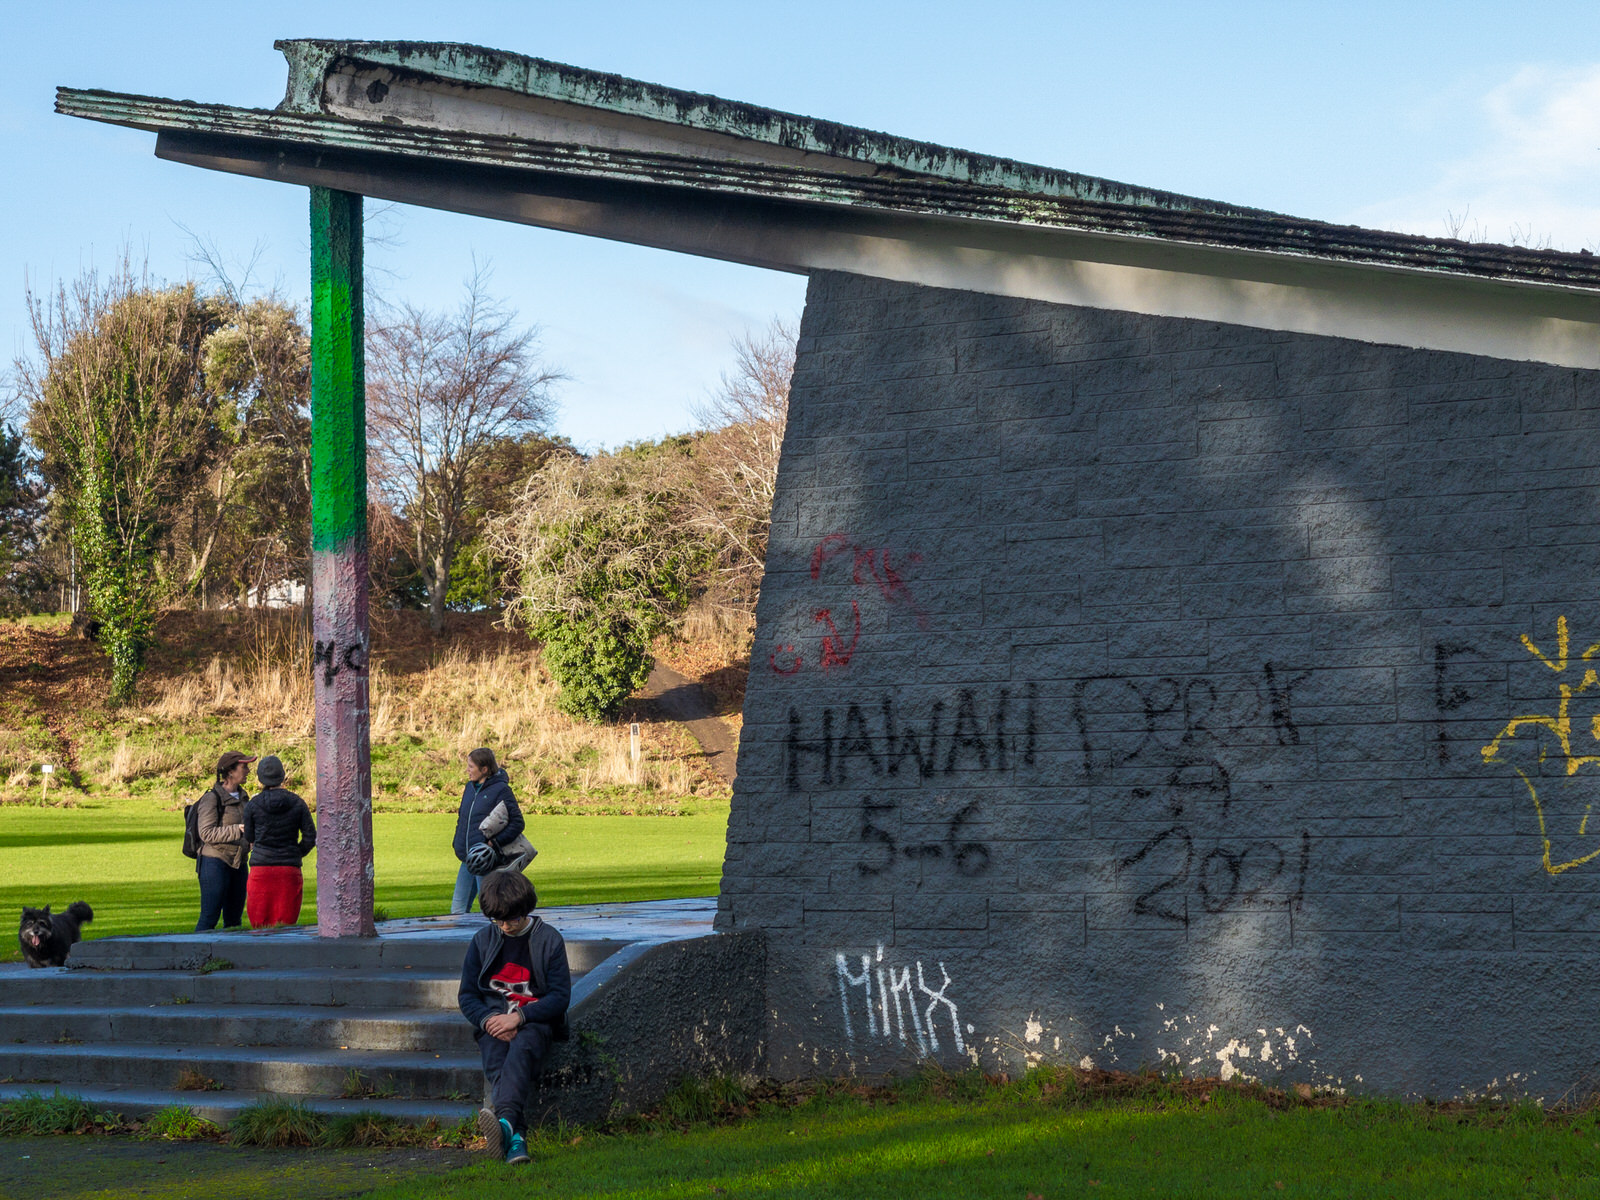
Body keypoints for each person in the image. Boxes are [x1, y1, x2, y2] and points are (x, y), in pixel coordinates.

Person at [458, 869, 570, 1165]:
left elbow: (560, 997)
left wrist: (519, 1017)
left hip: (535, 1022)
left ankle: (505, 1124)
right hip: (494, 1023)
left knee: (521, 1049)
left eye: (512, 919)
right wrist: (488, 1020)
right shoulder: (483, 940)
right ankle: (515, 1138)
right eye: (498, 920)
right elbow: (467, 996)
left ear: (526, 910)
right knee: (497, 1061)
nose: (506, 926)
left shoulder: (549, 940)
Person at [242, 755, 316, 928]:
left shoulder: (253, 805)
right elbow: (310, 836)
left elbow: (249, 837)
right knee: (286, 926)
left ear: (261, 778)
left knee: (260, 926)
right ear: (282, 776)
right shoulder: (297, 803)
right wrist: (296, 852)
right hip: (288, 869)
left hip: (261, 868)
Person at [451, 748, 526, 915]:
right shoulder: (469, 788)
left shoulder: (501, 790)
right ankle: (464, 941)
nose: (467, 770)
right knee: (457, 910)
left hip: (487, 861)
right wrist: (457, 842)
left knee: (490, 909)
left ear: (484, 769)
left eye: (471, 767)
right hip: (468, 858)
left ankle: (493, 938)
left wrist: (495, 843)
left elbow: (517, 823)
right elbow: (462, 818)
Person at [195, 750, 254, 931]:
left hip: (239, 862)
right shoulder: (211, 798)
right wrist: (237, 830)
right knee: (209, 917)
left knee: (234, 920)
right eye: (244, 767)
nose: (248, 771)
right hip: (214, 862)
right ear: (230, 771)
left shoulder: (245, 797)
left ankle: (231, 958)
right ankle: (197, 956)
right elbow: (206, 833)